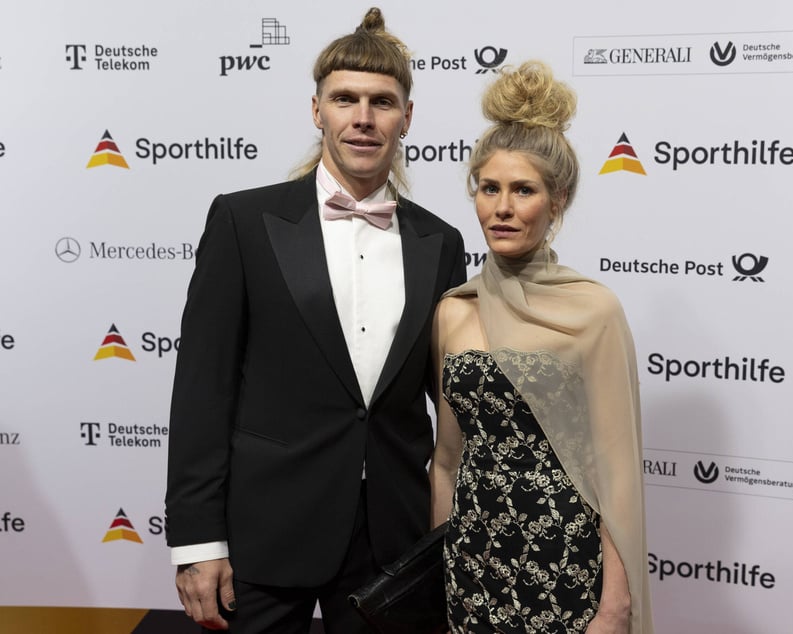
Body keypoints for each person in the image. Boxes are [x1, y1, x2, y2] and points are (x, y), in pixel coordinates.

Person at [165, 7, 466, 633]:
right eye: (345, 99)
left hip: (391, 538)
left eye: (382, 102)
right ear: (317, 110)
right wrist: (198, 543)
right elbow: (203, 390)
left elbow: (448, 401)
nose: (363, 118)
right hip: (266, 532)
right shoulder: (245, 223)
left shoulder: (441, 241)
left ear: (408, 117)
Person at [429, 61, 653, 634]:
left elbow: (616, 475)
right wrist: (438, 574)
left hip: (567, 569)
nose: (502, 208)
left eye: (523, 190)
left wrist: (614, 606)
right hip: (471, 567)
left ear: (558, 200)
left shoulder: (592, 310)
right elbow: (449, 461)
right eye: (489, 188)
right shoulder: (454, 309)